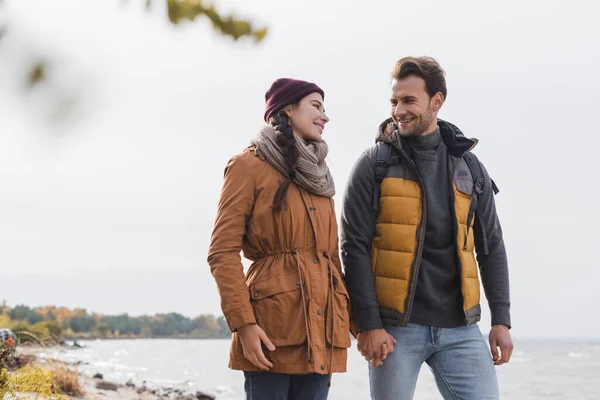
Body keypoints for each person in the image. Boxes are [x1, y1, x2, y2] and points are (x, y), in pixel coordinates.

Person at [340, 56, 513, 400]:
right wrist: (370, 325)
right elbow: (353, 246)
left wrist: (501, 320)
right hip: (394, 330)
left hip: (461, 330)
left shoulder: (471, 168)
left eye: (408, 101)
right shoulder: (373, 165)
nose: (398, 110)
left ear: (437, 101)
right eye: (394, 101)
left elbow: (491, 246)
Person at [207, 78, 351, 400]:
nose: (325, 116)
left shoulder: (319, 174)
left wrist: (356, 325)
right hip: (272, 330)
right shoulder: (247, 166)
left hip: (323, 331)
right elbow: (222, 251)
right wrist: (243, 324)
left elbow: (331, 258)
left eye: (325, 109)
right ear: (287, 109)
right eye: (316, 106)